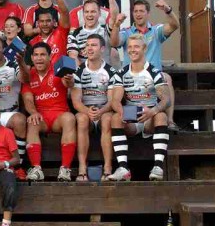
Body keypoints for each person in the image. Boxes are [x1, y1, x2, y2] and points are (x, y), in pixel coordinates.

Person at [110, 0, 179, 130]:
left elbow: (174, 26)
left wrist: (167, 10)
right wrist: (117, 25)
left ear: (148, 13)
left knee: (167, 78)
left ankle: (170, 121)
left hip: (153, 77)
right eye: (135, 11)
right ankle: (130, 120)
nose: (138, 14)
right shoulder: (127, 31)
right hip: (131, 76)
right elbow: (114, 43)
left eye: (141, 11)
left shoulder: (156, 30)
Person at [108, 34, 171, 181]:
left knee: (162, 116)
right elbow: (115, 101)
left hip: (151, 118)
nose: (132, 50)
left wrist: (153, 111)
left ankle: (158, 167)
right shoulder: (121, 73)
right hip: (132, 116)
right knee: (116, 117)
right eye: (129, 47)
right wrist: (124, 113)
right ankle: (123, 168)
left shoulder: (153, 72)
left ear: (144, 48)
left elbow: (166, 100)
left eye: (136, 46)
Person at [21, 42, 76, 182]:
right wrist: (33, 112)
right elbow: (27, 100)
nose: (39, 58)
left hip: (59, 115)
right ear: (32, 58)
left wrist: (69, 80)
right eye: (36, 55)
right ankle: (36, 168)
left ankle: (65, 169)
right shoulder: (29, 74)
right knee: (32, 121)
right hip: (42, 117)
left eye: (43, 55)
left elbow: (68, 83)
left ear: (50, 57)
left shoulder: (58, 69)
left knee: (70, 118)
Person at [71, 34, 118, 182]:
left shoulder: (111, 71)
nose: (89, 48)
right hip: (86, 112)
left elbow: (112, 100)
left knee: (108, 119)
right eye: (88, 45)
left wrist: (101, 111)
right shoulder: (78, 71)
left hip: (104, 110)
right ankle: (82, 168)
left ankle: (108, 168)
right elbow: (76, 101)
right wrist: (87, 111)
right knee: (81, 118)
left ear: (102, 49)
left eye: (94, 45)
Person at [0, 37, 29, 179]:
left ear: (3, 49)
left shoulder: (13, 66)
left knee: (20, 120)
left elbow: (26, 79)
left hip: (8, 113)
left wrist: (21, 62)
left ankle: (18, 166)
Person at [28, 0, 71, 64]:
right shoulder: (33, 42)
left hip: (59, 76)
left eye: (48, 21)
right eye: (42, 21)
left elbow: (65, 12)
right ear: (37, 24)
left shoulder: (60, 34)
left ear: (55, 23)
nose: (45, 24)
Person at [67, 0, 112, 66]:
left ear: (99, 13)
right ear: (83, 14)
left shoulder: (106, 29)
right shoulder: (74, 33)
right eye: (86, 12)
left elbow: (114, 16)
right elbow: (73, 56)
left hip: (104, 74)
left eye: (93, 11)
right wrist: (82, 73)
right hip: (83, 74)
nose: (89, 15)